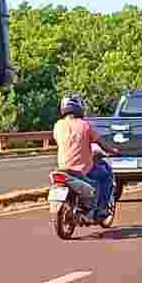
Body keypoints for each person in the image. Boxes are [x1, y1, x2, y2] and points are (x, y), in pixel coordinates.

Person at [53, 94, 120, 222]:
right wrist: (113, 150)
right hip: (82, 169)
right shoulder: (85, 126)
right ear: (79, 107)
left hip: (63, 168)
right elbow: (101, 143)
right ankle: (101, 209)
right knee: (105, 176)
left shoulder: (58, 125)